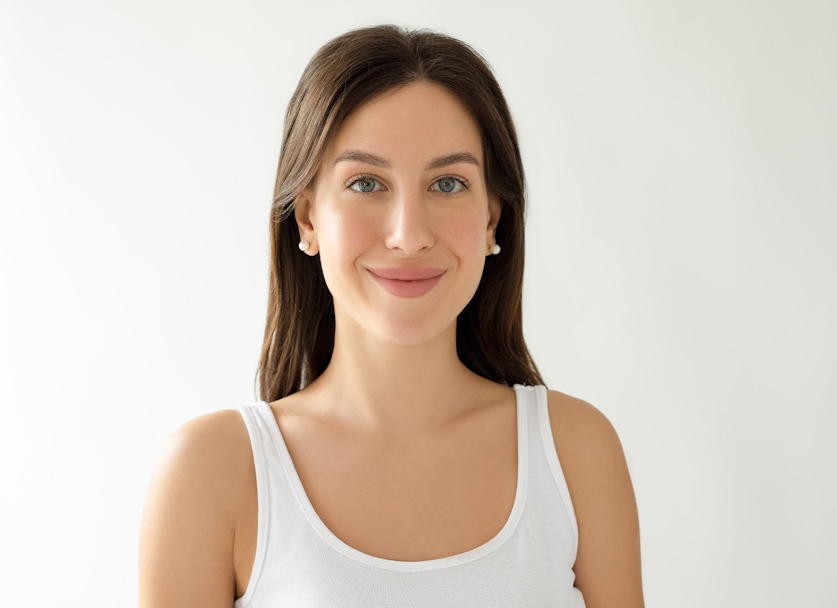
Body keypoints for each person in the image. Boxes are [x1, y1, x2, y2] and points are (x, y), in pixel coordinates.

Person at [139, 25, 643, 608]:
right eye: (366, 183)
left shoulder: (575, 453)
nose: (408, 235)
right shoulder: (212, 472)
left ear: (491, 220)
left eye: (448, 183)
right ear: (308, 218)